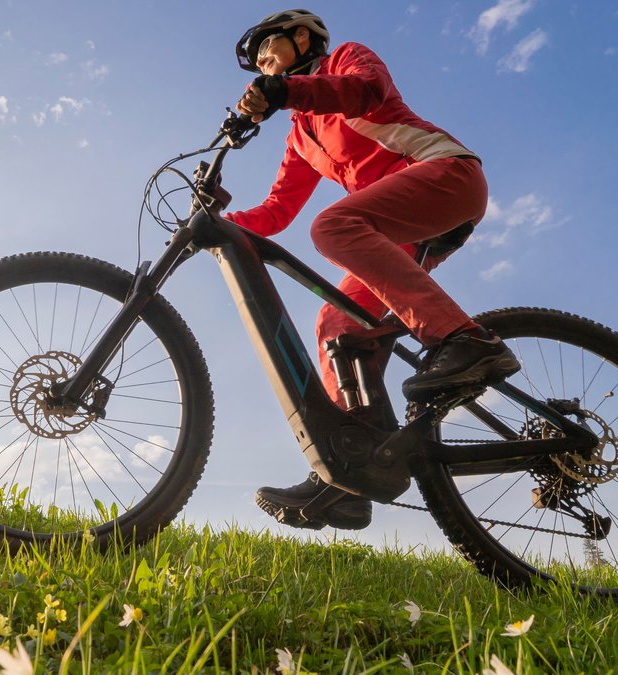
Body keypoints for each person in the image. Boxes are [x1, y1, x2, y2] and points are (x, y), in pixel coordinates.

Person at [225, 9, 520, 530]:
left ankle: (468, 341)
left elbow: (365, 92)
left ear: (302, 38)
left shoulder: (346, 59)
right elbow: (276, 211)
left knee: (333, 227)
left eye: (268, 49)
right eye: (258, 62)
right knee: (338, 324)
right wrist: (216, 222)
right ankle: (353, 470)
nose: (263, 61)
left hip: (444, 174)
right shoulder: (300, 136)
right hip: (394, 228)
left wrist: (284, 92)